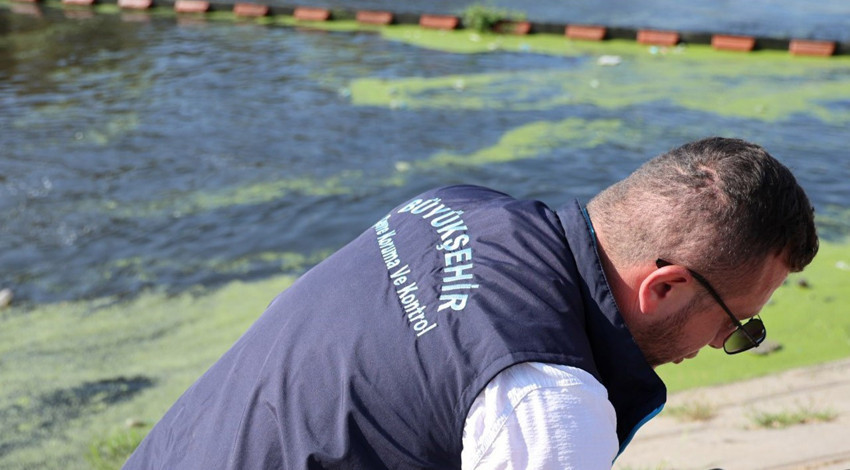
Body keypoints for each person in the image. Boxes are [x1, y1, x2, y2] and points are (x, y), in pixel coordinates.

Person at [123, 137, 818, 469]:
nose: (719, 346)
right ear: (664, 286)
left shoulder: (453, 207)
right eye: (738, 327)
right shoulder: (550, 400)